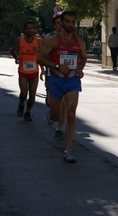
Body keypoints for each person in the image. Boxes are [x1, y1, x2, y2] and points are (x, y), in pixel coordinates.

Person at [37, 10, 87, 163]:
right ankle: (51, 115)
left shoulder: (80, 42)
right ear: (62, 23)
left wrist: (80, 69)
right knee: (57, 115)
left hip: (72, 80)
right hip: (56, 80)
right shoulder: (53, 40)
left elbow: (83, 58)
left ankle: (68, 150)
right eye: (67, 22)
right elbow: (39, 58)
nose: (70, 25)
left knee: (71, 115)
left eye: (73, 22)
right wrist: (57, 65)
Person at [11, 20, 43, 121]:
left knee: (33, 95)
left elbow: (43, 55)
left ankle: (28, 112)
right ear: (25, 30)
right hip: (23, 72)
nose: (30, 30)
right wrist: (16, 57)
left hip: (34, 72)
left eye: (32, 28)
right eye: (28, 28)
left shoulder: (38, 41)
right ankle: (21, 104)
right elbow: (12, 50)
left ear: (35, 29)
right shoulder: (19, 40)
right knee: (24, 93)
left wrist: (39, 51)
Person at [42, 12, 67, 141]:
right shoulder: (48, 38)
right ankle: (52, 113)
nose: (61, 25)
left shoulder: (70, 38)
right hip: (51, 72)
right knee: (52, 103)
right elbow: (41, 56)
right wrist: (42, 69)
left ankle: (59, 129)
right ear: (54, 25)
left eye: (63, 22)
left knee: (64, 104)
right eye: (58, 23)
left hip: (67, 74)